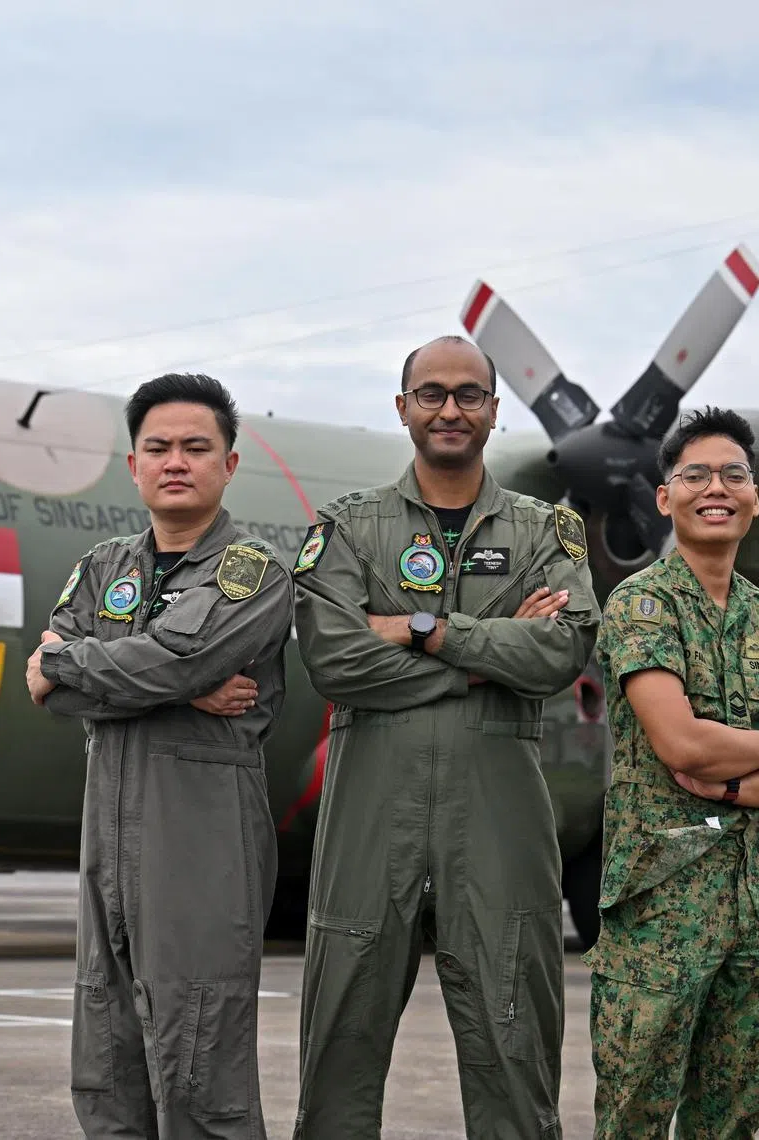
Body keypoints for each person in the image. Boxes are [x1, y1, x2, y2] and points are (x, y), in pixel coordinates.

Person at [291, 335, 601, 1139]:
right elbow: (335, 659)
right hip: (372, 813)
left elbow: (562, 650)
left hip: (496, 815)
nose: (451, 409)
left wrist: (422, 630)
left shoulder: (545, 531)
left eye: (469, 394)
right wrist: (487, 654)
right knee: (339, 1048)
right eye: (432, 393)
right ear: (403, 409)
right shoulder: (348, 528)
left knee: (514, 1043)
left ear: (495, 412)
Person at [24, 373, 294, 1140]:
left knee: (199, 1062)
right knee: (106, 1060)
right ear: (134, 465)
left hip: (200, 837)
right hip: (107, 834)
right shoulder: (105, 566)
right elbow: (48, 683)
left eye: (196, 447)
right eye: (158, 447)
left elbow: (179, 657)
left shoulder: (253, 569)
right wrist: (175, 684)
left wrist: (86, 665)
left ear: (229, 465)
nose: (176, 461)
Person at [586, 407, 759, 1138]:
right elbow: (682, 744)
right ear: (665, 498)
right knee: (635, 1109)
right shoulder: (641, 604)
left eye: (733, 474)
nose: (714, 488)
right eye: (694, 475)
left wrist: (732, 783)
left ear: (754, 497)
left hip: (755, 911)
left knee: (733, 1114)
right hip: (659, 912)